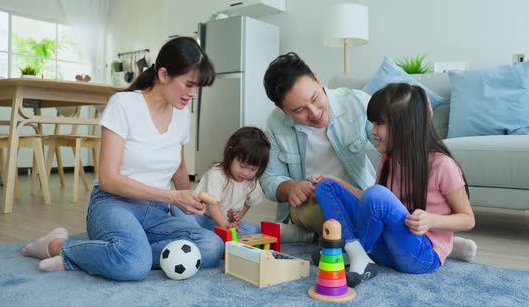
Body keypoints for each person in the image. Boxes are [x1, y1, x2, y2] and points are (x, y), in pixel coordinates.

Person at [21, 37, 224, 281]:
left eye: (198, 87)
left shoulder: (181, 114)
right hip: (113, 204)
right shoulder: (124, 104)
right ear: (164, 74)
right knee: (134, 267)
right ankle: (58, 246)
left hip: (155, 211)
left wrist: (189, 202)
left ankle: (119, 252)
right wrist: (172, 196)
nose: (193, 93)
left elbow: (180, 166)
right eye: (189, 84)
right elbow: (109, 179)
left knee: (211, 247)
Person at [312, 83, 476, 287]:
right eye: (373, 123)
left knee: (377, 194)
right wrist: (337, 182)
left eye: (379, 123)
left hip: (420, 254)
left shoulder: (442, 165)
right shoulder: (388, 159)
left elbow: (468, 220)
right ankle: (356, 253)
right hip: (388, 247)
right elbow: (371, 203)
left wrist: (431, 221)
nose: (373, 131)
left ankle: (354, 253)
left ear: (406, 126)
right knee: (325, 187)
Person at [260, 52, 376, 241]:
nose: (314, 113)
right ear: (281, 108)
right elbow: (269, 180)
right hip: (313, 205)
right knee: (320, 215)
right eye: (298, 110)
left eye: (314, 98)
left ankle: (325, 237)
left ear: (317, 78)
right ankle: (357, 236)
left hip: (358, 196)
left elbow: (395, 146)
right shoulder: (275, 124)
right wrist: (290, 187)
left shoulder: (356, 102)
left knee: (375, 206)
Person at [171, 127, 270, 236]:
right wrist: (224, 225)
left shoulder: (251, 182)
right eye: (242, 166)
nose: (246, 173)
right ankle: (203, 235)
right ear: (230, 153)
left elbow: (248, 202)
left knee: (254, 229)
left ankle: (209, 237)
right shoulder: (216, 174)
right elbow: (213, 204)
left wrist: (235, 220)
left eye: (253, 169)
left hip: (224, 223)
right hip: (202, 217)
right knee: (177, 209)